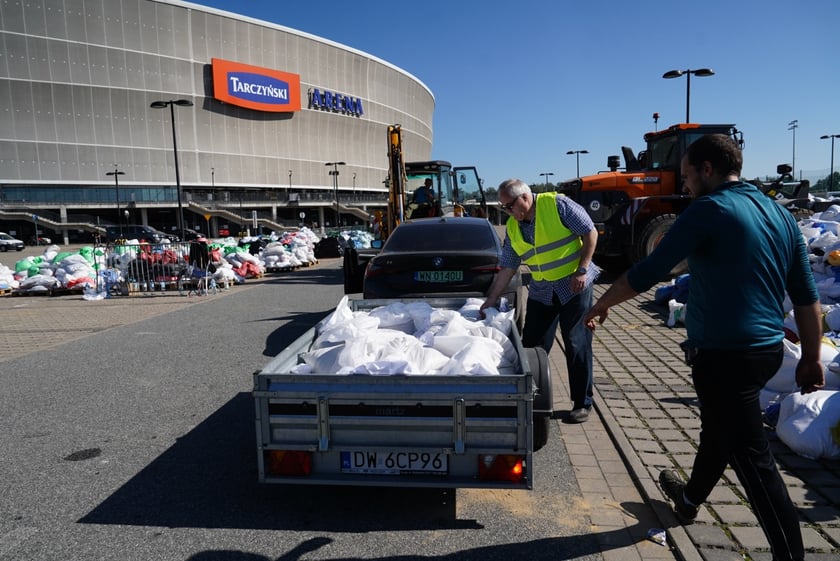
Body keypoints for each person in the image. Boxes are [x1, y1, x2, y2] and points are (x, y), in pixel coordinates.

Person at [584, 134, 824, 561]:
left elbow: (652, 269)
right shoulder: (779, 214)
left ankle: (791, 556)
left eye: (688, 175)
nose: (687, 185)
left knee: (754, 461)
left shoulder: (709, 210)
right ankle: (690, 498)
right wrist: (808, 357)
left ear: (707, 170)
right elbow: (807, 298)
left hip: (725, 357)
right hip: (767, 350)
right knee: (718, 431)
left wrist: (603, 301)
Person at [481, 179, 599, 423]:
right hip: (543, 291)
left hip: (574, 286)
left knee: (576, 343)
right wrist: (491, 298)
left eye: (509, 206)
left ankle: (582, 403)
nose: (507, 212)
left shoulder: (558, 205)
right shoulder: (514, 227)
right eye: (503, 207)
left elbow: (590, 232)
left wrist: (583, 269)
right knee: (532, 346)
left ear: (524, 198)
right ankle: (529, 399)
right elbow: (508, 267)